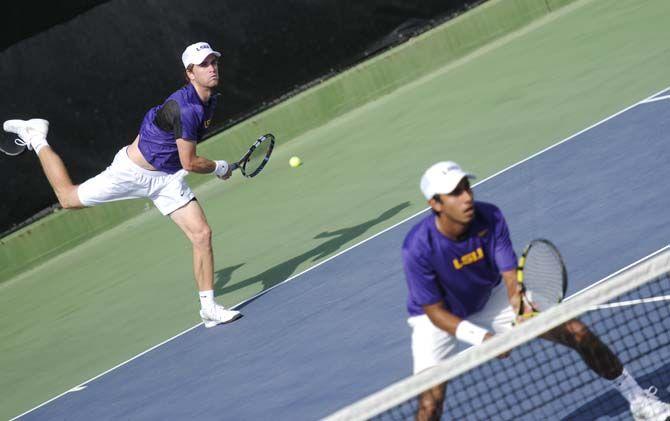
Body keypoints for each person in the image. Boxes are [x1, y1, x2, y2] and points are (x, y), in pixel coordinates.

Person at [402, 161, 670, 421]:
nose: (467, 197)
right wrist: (483, 339)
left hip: (490, 298)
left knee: (577, 332)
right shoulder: (418, 247)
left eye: (467, 187)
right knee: (429, 404)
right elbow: (435, 313)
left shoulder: (490, 217)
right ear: (435, 204)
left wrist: (520, 306)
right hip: (438, 317)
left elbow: (509, 276)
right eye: (455, 193)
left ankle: (638, 399)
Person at [4, 42, 241, 328]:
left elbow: (181, 159)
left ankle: (208, 308)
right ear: (190, 73)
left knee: (201, 235)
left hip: (166, 178)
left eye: (214, 61)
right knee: (68, 198)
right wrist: (219, 167)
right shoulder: (187, 108)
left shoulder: (210, 100)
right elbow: (189, 162)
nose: (212, 68)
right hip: (132, 172)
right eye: (204, 64)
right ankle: (35, 137)